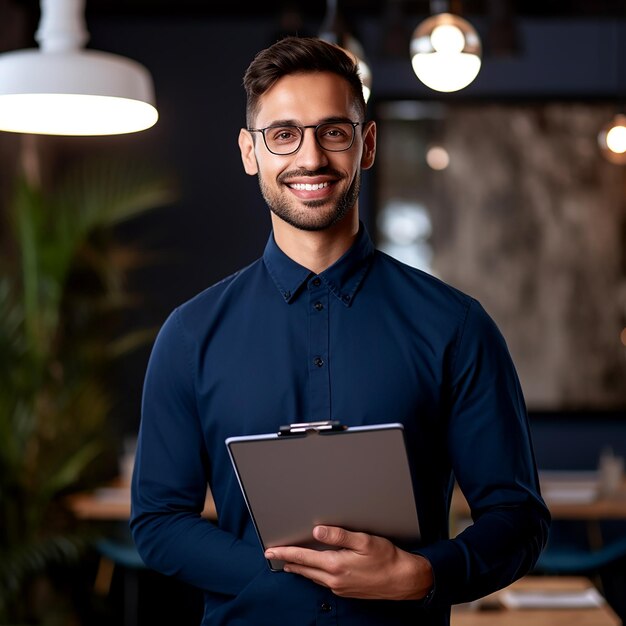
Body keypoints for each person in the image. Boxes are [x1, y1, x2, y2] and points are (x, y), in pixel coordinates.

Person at [130, 35, 550, 626]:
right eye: (284, 134)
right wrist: (285, 569)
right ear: (250, 152)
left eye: (333, 131)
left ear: (367, 144)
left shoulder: (456, 326)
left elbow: (518, 518)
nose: (310, 158)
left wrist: (425, 576)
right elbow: (158, 522)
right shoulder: (190, 335)